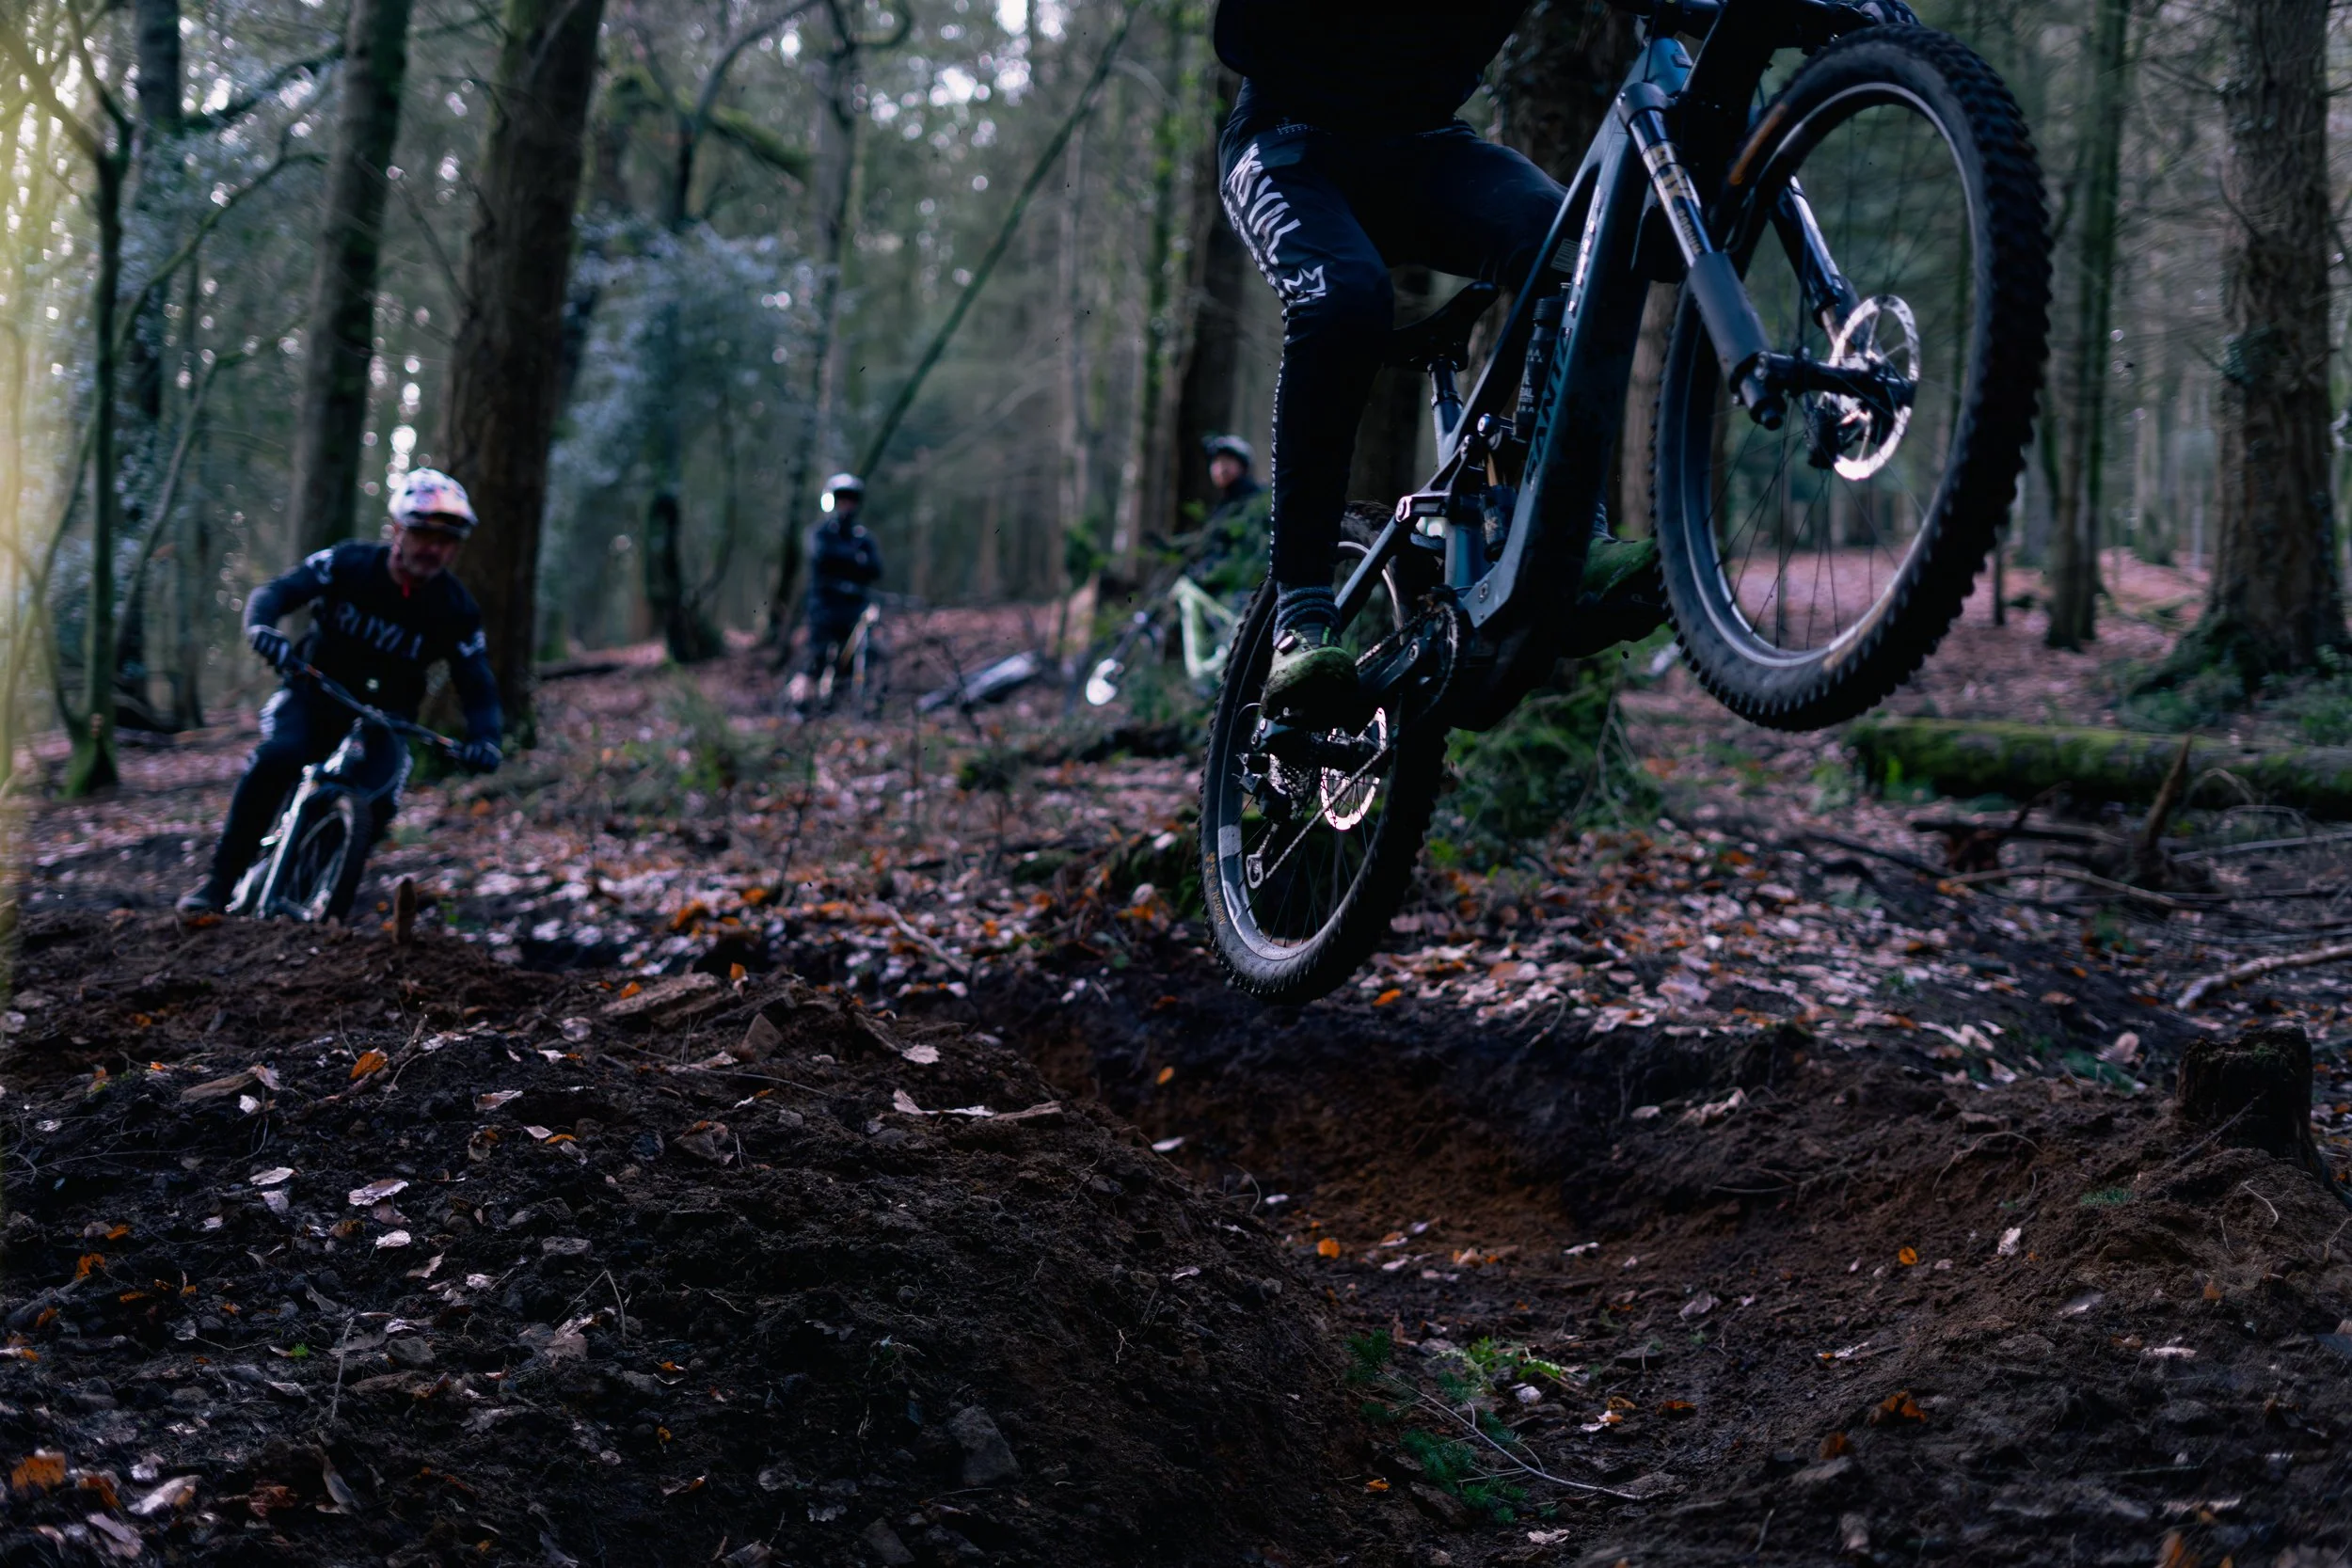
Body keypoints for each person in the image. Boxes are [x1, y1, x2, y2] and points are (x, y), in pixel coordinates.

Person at [1213, 0, 1661, 721]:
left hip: (1426, 150)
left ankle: (1571, 539)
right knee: (1344, 302)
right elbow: (1239, 36)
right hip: (1288, 145)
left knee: (1584, 255)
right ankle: (1300, 611)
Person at [177, 469, 503, 916]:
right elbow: (277, 592)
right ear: (397, 530)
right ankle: (219, 883)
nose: (433, 548)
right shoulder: (348, 563)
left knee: (379, 800)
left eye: (447, 540)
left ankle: (317, 891)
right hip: (313, 693)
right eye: (423, 533)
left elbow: (477, 682)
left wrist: (486, 739)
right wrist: (262, 628)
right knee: (278, 759)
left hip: (388, 719)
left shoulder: (456, 609)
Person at [788, 473, 884, 711]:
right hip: (824, 606)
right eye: (841, 499)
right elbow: (822, 558)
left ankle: (841, 706)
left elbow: (875, 568)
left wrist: (849, 561)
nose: (846, 505)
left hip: (854, 607)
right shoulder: (820, 533)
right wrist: (854, 560)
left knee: (852, 658)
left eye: (850, 500)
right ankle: (800, 704)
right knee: (817, 657)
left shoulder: (863, 538)